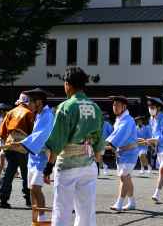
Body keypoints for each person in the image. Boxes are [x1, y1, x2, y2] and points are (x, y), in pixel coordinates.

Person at [44, 66, 104, 226]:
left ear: (68, 84)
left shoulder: (66, 107)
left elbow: (57, 142)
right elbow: (99, 142)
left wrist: (48, 167)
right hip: (89, 164)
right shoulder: (96, 108)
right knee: (86, 212)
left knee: (62, 210)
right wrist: (97, 163)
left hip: (68, 165)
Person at [11, 88, 54, 222]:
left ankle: (42, 218)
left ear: (39, 102)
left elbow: (41, 135)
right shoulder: (39, 114)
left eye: (30, 102)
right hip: (33, 156)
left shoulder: (48, 115)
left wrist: (22, 143)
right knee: (31, 189)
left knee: (36, 187)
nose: (28, 105)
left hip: (42, 158)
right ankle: (35, 218)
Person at [0, 92, 35, 209]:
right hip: (23, 145)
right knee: (26, 172)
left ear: (19, 101)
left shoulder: (10, 112)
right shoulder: (29, 113)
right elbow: (33, 132)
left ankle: (3, 199)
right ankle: (28, 199)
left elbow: (2, 132)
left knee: (9, 171)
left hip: (10, 144)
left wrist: (3, 147)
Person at [105, 96, 139, 211]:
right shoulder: (120, 119)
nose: (114, 107)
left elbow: (118, 137)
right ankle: (132, 202)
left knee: (124, 177)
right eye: (113, 105)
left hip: (129, 153)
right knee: (126, 178)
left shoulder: (127, 120)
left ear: (124, 107)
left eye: (117, 105)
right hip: (122, 153)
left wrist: (104, 145)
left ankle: (119, 203)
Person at [0, 103, 11, 179]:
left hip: (9, 139)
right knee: (6, 156)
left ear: (1, 111)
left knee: (3, 155)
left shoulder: (9, 117)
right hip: (2, 139)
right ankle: (15, 172)